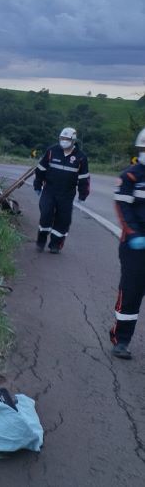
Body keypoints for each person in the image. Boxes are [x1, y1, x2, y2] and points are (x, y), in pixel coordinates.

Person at [109, 128, 145, 359]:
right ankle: (121, 340)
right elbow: (122, 207)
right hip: (136, 246)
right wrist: (133, 234)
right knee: (131, 294)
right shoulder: (131, 176)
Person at [33, 127, 90, 253]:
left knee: (63, 219)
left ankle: (55, 244)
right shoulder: (52, 151)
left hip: (67, 194)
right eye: (62, 138)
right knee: (46, 214)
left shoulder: (81, 157)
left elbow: (84, 178)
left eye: (66, 139)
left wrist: (83, 194)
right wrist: (37, 185)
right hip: (49, 190)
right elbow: (41, 169)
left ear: (73, 140)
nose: (63, 141)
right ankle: (41, 241)